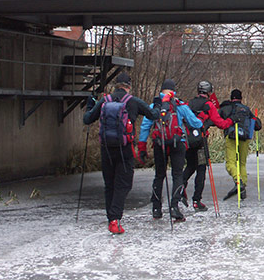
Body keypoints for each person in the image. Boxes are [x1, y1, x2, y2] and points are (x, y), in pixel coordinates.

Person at [83, 71, 159, 235]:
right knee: (124, 184)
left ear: (116, 85)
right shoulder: (133, 102)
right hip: (124, 149)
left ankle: (112, 218)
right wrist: (158, 104)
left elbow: (87, 119)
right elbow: (154, 115)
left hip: (106, 149)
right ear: (128, 87)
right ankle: (115, 219)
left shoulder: (105, 101)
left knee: (109, 184)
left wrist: (90, 105)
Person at [138, 79, 203, 222]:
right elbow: (195, 123)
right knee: (177, 174)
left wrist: (142, 146)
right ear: (173, 91)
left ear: (161, 91)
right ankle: (174, 206)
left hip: (159, 143)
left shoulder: (154, 106)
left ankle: (156, 208)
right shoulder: (179, 105)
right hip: (177, 143)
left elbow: (144, 127)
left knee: (159, 175)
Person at [181, 80, 233, 211]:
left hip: (188, 140)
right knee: (201, 169)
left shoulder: (188, 104)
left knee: (190, 165)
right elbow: (220, 123)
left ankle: (181, 186)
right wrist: (231, 120)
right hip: (201, 141)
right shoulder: (209, 105)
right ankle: (196, 201)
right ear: (209, 92)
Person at [219, 89, 261, 201]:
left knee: (230, 164)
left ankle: (239, 182)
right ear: (241, 98)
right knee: (242, 163)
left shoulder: (227, 108)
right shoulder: (246, 109)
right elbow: (257, 125)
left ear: (231, 98)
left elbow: (217, 119)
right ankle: (243, 189)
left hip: (232, 136)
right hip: (245, 138)